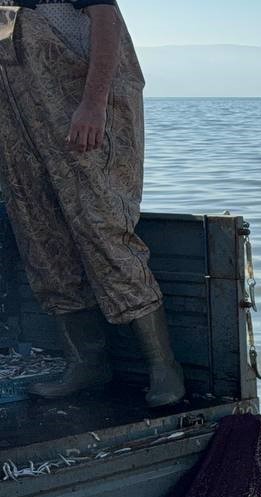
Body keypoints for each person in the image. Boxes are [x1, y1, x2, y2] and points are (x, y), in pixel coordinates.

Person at [0, 0, 183, 407]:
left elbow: (105, 18)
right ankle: (86, 362)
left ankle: (163, 366)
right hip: (18, 117)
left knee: (103, 226)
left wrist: (94, 105)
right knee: (39, 235)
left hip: (81, 108)